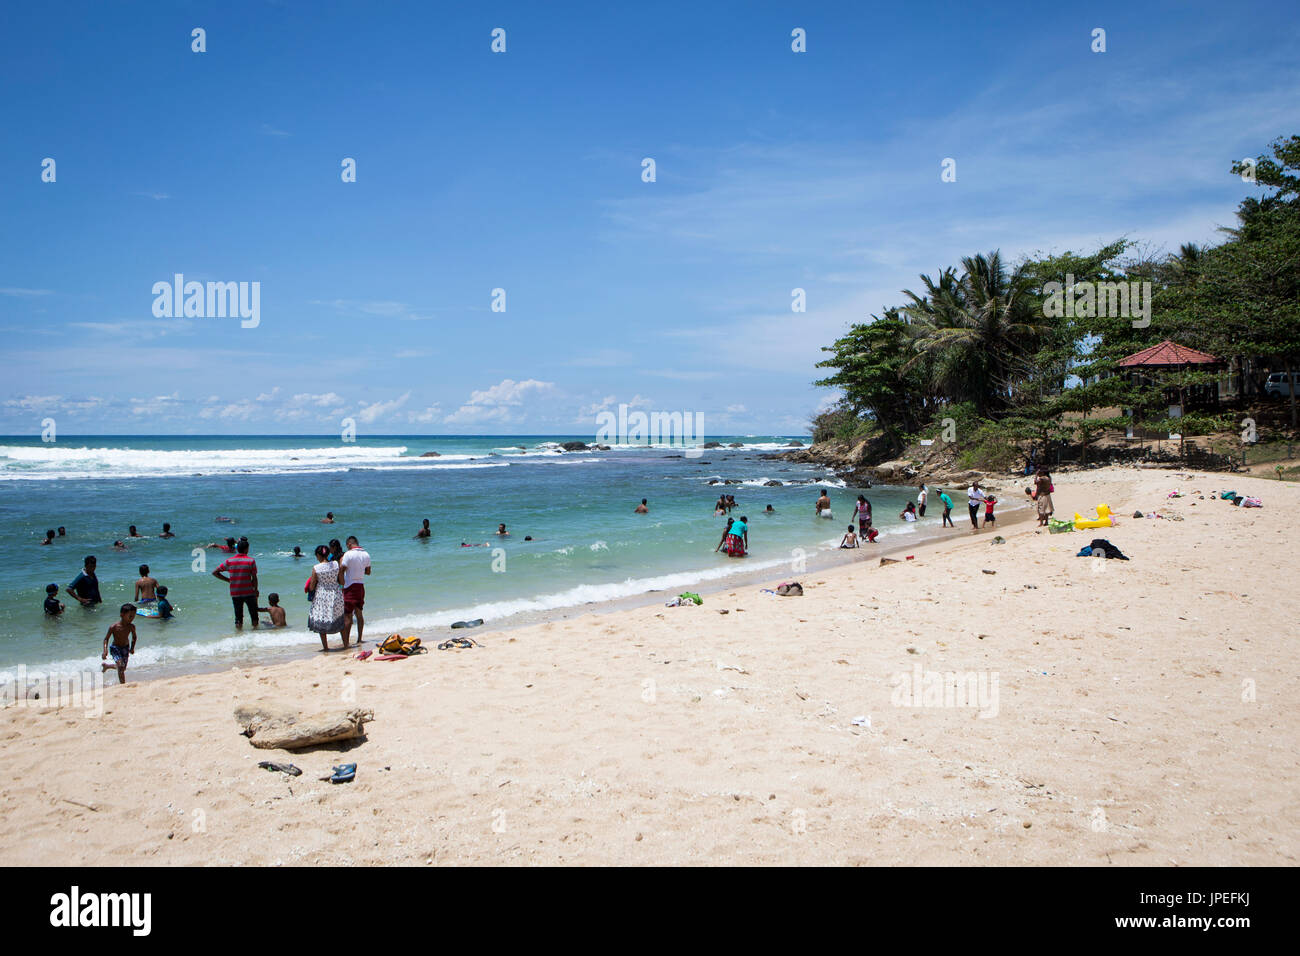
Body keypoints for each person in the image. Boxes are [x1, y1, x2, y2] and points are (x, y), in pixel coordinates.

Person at [306, 544, 346, 650]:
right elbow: (342, 581)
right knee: (340, 620)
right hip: (336, 594)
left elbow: (312, 586)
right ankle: (346, 644)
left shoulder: (316, 568)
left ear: (318, 555)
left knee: (322, 620)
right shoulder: (336, 564)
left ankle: (326, 647)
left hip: (322, 596)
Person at [213, 537, 259, 629]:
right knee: (254, 615)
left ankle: (239, 634)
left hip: (235, 592)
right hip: (249, 592)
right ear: (246, 549)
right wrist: (256, 590)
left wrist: (228, 580)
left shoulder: (229, 561)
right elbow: (254, 578)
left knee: (238, 617)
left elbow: (215, 572)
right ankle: (255, 632)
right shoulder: (251, 561)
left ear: (237, 549)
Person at [340, 535, 371, 646]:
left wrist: (342, 582)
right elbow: (368, 572)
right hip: (360, 585)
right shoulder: (366, 554)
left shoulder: (348, 554)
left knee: (347, 615)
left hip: (350, 586)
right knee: (359, 613)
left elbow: (341, 569)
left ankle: (346, 643)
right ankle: (359, 639)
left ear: (349, 544)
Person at [101, 604, 137, 684]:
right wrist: (105, 651)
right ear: (122, 615)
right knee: (120, 666)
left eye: (133, 616)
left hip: (125, 648)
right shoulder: (114, 627)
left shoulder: (131, 627)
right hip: (115, 648)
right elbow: (106, 639)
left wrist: (132, 648)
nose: (132, 619)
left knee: (122, 668)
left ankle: (107, 666)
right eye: (130, 616)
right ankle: (123, 685)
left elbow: (134, 637)